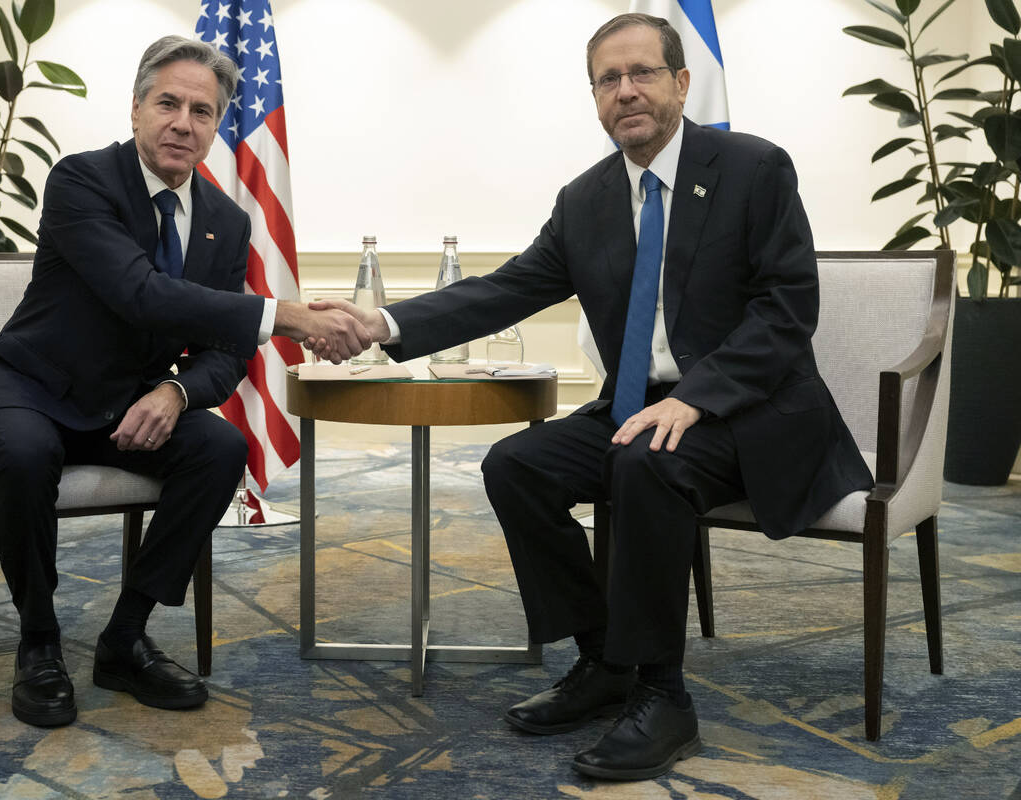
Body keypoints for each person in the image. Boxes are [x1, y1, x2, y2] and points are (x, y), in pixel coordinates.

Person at [311, 13, 872, 782]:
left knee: (647, 460)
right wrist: (383, 321)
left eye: (642, 73)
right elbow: (507, 289)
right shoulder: (588, 199)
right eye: (608, 80)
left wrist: (698, 398)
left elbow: (786, 308)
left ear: (680, 83)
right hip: (640, 405)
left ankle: (663, 695)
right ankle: (603, 659)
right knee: (518, 465)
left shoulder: (751, 168)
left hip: (754, 414)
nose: (626, 91)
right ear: (595, 99)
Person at [0, 36, 369, 728]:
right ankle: (40, 641)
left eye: (202, 111)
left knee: (220, 449)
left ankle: (125, 637)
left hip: (126, 402)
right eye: (167, 103)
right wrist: (284, 315)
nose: (183, 122)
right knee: (23, 456)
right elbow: (139, 293)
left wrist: (176, 392)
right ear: (137, 109)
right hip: (26, 386)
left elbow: (225, 352)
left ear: (216, 127)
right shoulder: (82, 180)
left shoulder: (227, 223)